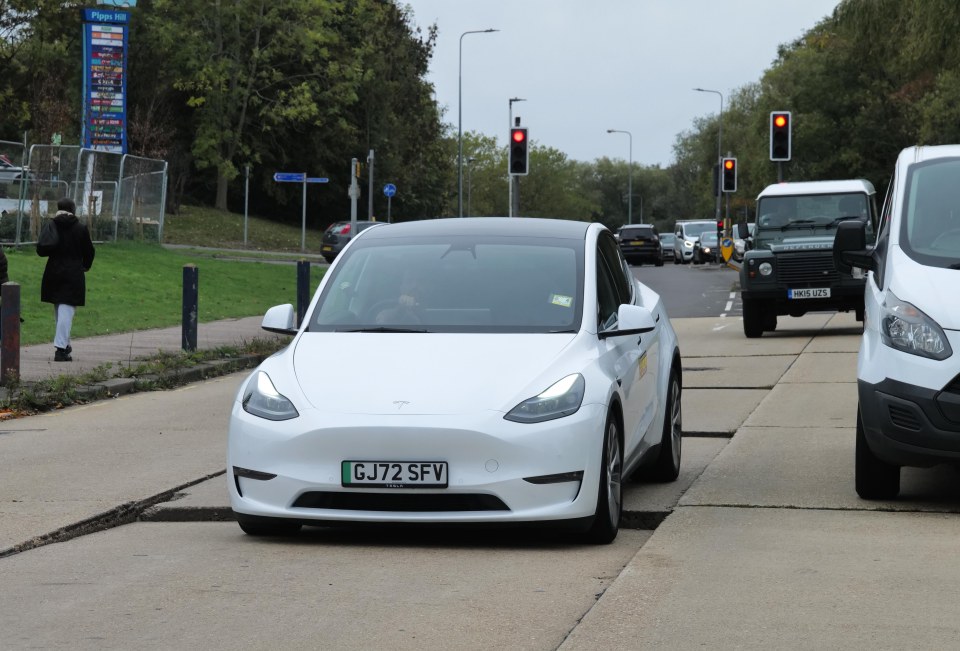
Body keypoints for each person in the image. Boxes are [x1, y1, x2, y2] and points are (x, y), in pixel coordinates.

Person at [37, 198, 95, 362]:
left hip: (53, 271)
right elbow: (89, 251)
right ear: (72, 209)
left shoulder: (52, 225)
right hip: (73, 272)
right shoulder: (80, 228)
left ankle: (65, 344)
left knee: (59, 310)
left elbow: (42, 248)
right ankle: (61, 348)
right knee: (67, 310)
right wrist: (86, 265)